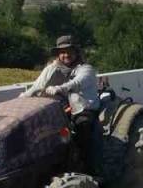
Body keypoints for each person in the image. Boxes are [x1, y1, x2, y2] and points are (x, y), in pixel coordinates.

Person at [23, 35, 103, 175]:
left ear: (76, 53)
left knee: (83, 130)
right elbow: (38, 86)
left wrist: (59, 88)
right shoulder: (53, 68)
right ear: (58, 54)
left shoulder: (86, 69)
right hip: (63, 109)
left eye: (69, 51)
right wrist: (23, 98)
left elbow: (76, 83)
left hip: (83, 109)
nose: (66, 55)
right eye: (62, 52)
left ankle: (89, 170)